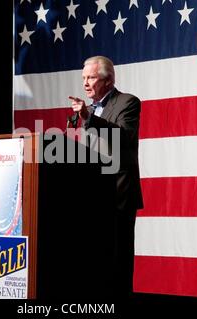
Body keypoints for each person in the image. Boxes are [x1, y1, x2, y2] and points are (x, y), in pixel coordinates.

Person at [68, 56, 143, 298]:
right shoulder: (87, 111)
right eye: (83, 78)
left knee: (118, 262)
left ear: (108, 81)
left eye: (91, 78)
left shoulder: (128, 102)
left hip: (119, 195)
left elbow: (123, 137)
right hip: (93, 198)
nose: (85, 84)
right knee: (96, 264)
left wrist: (90, 120)